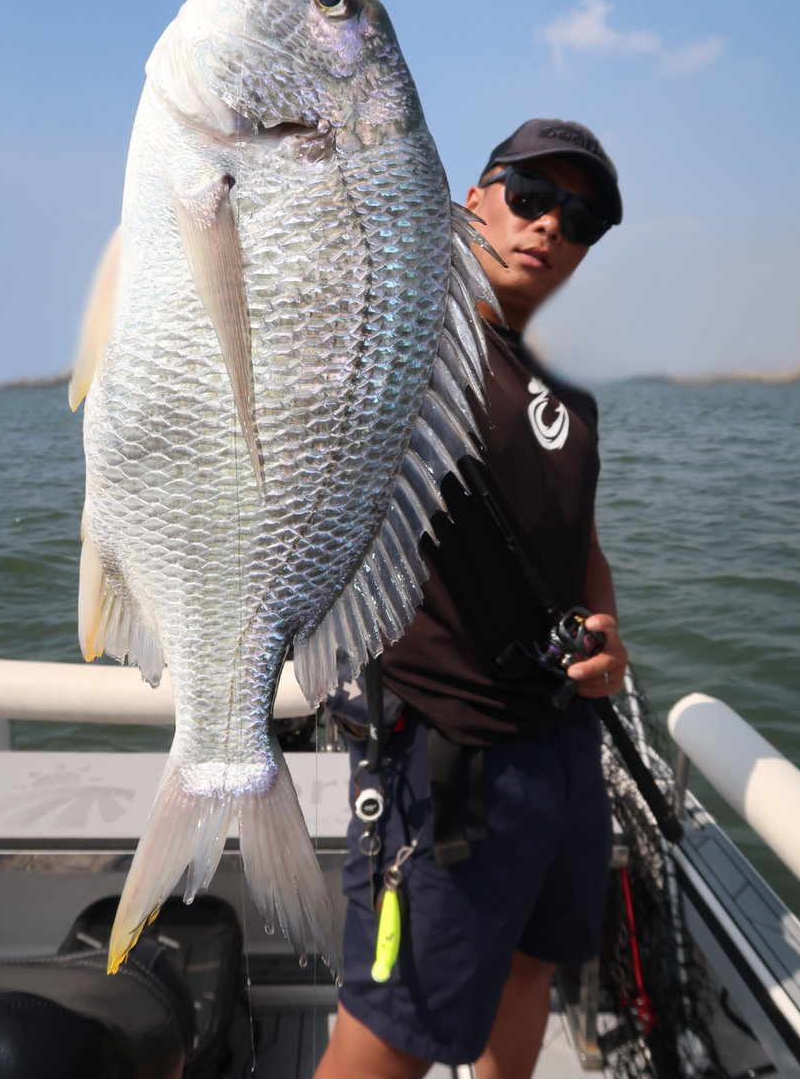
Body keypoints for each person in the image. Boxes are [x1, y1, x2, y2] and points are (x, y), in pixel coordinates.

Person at [316, 119, 629, 1079]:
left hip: (563, 745)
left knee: (533, 965)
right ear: (472, 200)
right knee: (391, 1036)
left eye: (579, 218)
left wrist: (608, 636)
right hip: (444, 761)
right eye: (529, 196)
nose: (550, 225)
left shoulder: (569, 394)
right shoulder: (400, 344)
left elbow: (578, 539)